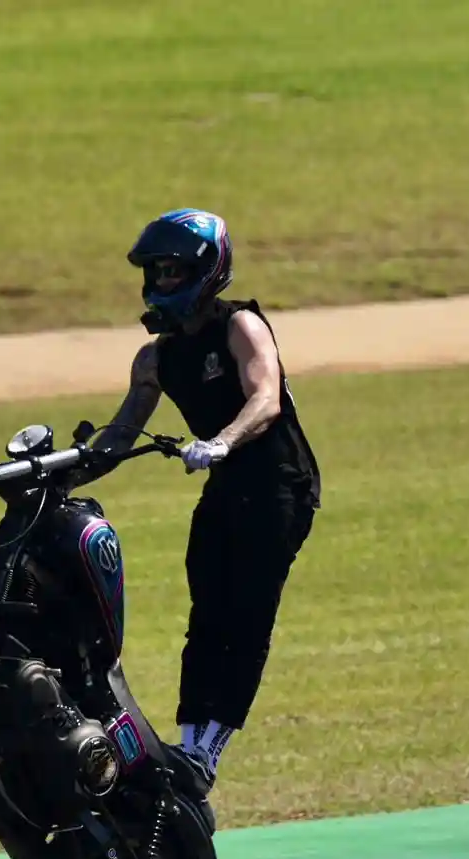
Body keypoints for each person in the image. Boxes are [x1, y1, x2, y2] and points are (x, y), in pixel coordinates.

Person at [80, 208, 322, 824]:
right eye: (154, 272)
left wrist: (220, 442)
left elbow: (265, 397)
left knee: (244, 616)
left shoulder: (242, 325)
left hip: (278, 485)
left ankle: (207, 752)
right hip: (226, 487)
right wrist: (61, 472)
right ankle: (186, 748)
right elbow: (119, 435)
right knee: (205, 613)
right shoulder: (154, 360)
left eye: (171, 270)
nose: (160, 282)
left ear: (204, 271)